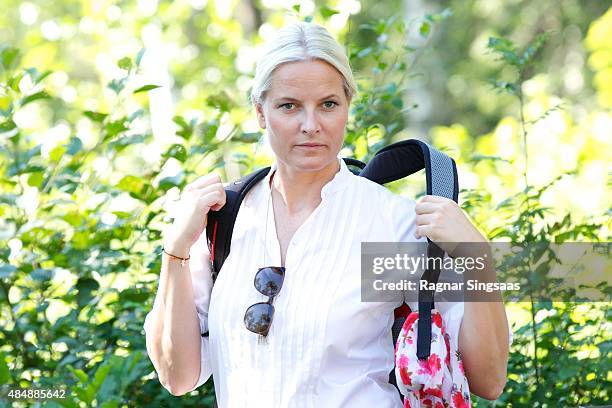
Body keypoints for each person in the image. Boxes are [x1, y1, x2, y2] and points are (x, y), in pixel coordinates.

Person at [143, 21, 510, 407]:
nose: (310, 125)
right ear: (260, 113)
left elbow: (488, 379)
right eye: (289, 106)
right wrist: (176, 249)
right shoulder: (225, 221)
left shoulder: (388, 225)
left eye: (328, 104)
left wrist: (478, 256)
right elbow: (178, 375)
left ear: (347, 106)